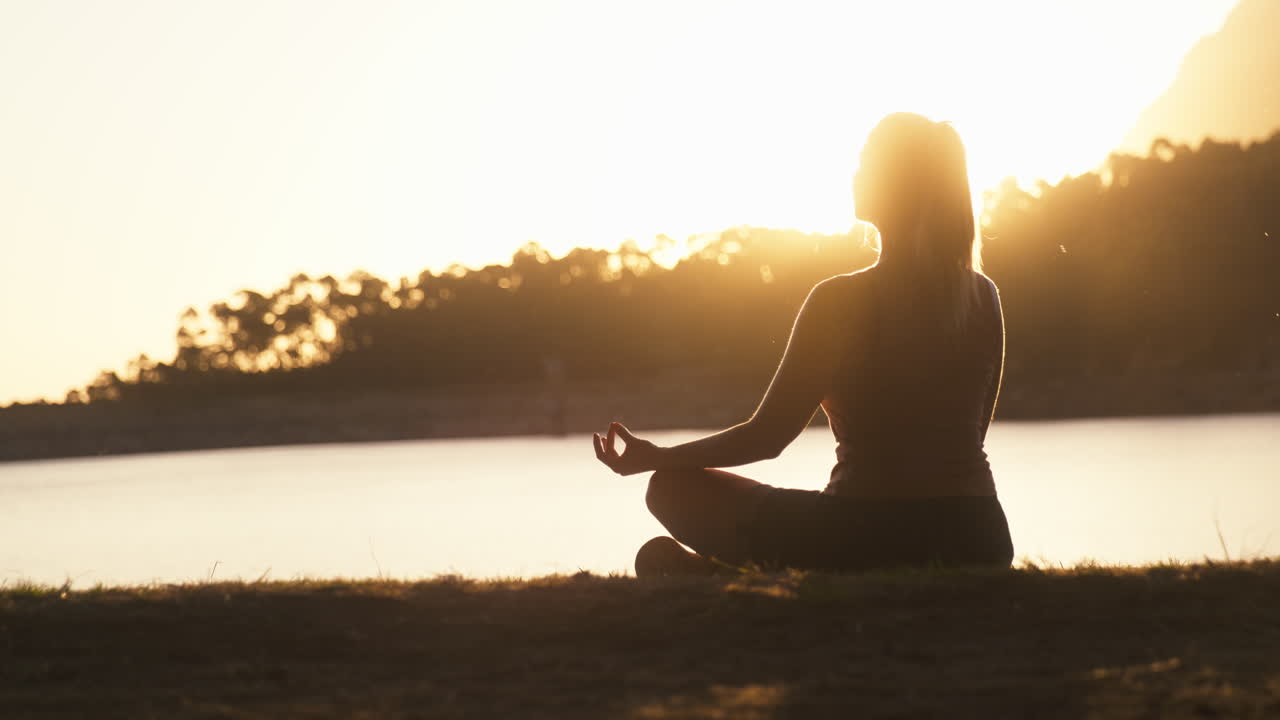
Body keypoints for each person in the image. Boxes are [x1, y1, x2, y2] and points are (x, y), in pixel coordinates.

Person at [592, 112, 1014, 576]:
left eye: (866, 163)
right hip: (977, 536)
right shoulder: (982, 295)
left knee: (669, 489)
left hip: (861, 535)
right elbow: (971, 437)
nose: (855, 174)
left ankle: (733, 581)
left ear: (896, 184)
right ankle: (738, 580)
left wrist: (659, 458)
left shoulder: (840, 300)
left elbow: (768, 436)